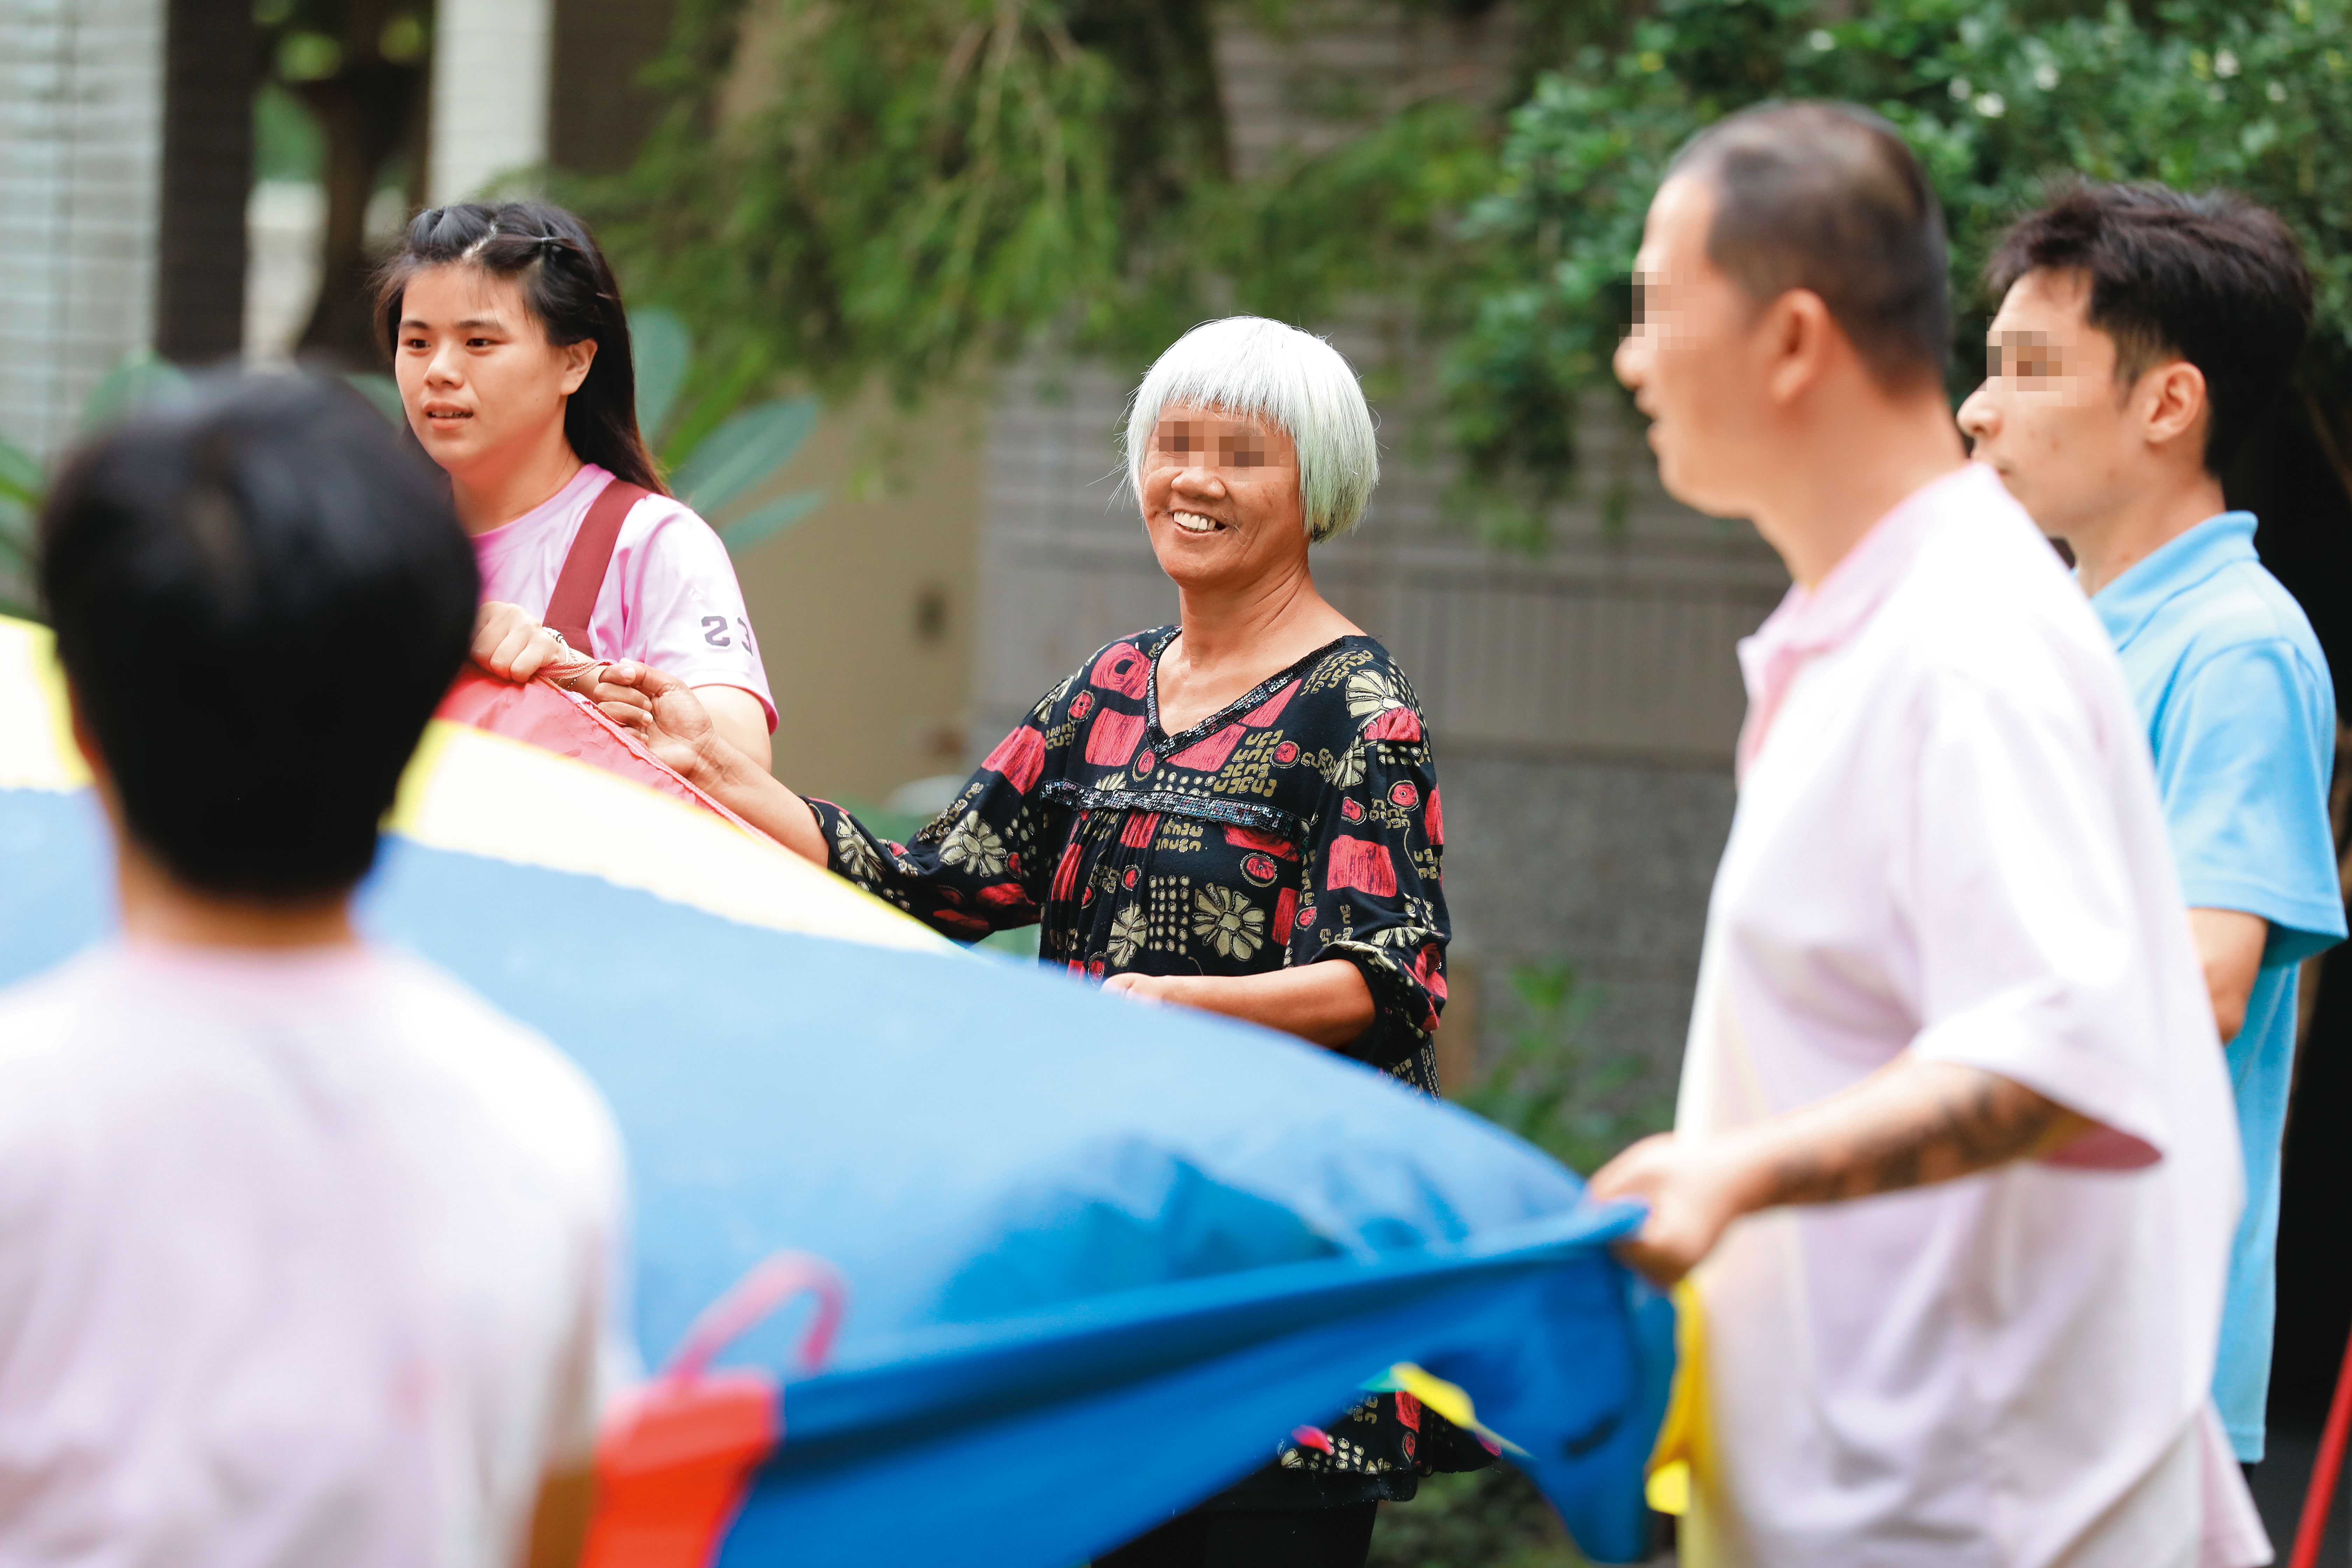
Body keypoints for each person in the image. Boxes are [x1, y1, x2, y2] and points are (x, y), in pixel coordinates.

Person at [598, 315, 1479, 1565]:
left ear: (1316, 487)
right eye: (1173, 444)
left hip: (1276, 1306)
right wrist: (716, 771)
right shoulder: (1109, 690)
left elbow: (1389, 982)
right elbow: (928, 885)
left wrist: (1173, 1006)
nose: (1195, 479)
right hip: (1103, 1291)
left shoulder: (1359, 710)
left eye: (1242, 454)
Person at [1586, 104, 2264, 1567]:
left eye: (1658, 309)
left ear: (1792, 340)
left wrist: (1734, 1175)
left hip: (1972, 1519)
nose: (1633, 359)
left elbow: (2058, 1050)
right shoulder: (1889, 621)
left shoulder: (1965, 648)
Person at [4, 373, 631, 1568]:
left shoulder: (22, 1119)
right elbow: (555, 1536)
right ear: (419, 720)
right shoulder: (541, 1131)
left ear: (80, 719)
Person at [1958, 182, 2345, 1468]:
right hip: (1992, 1336)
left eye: (2030, 369)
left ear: (2168, 405)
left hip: (2121, 1369)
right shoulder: (2045, 637)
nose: (1979, 408)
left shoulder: (2236, 647)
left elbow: (2206, 976)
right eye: (1987, 367)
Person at [376, 200, 776, 766]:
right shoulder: (376, 547)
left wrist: (565, 670)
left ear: (575, 363)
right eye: (417, 343)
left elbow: (741, 761)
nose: (438, 371)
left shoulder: (655, 544)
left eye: (479, 342)